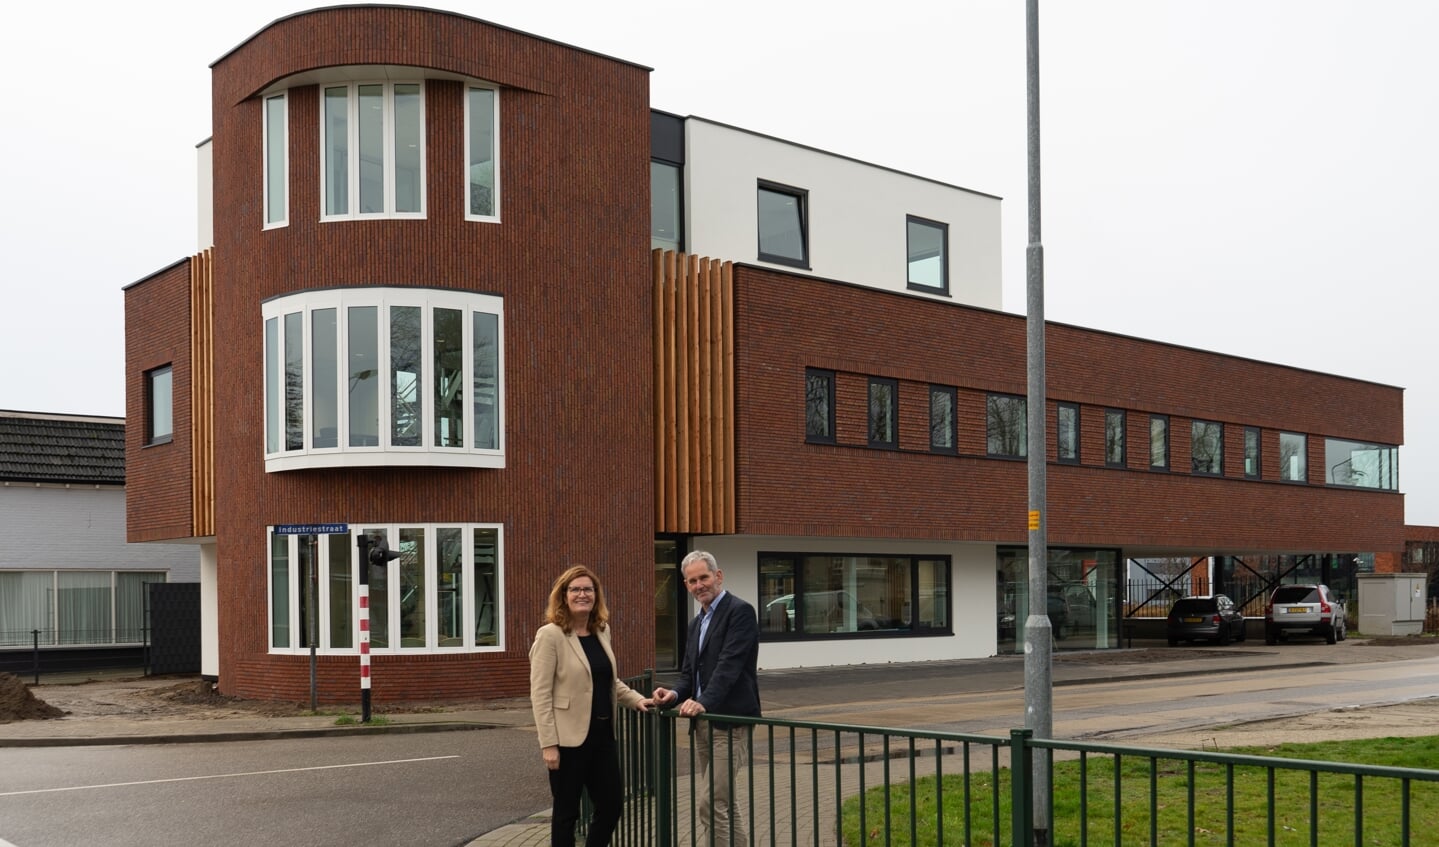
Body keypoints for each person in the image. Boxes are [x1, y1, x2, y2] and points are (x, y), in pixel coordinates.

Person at [530, 565, 650, 847]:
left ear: (596, 595)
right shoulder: (550, 635)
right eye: (575, 589)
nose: (582, 594)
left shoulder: (601, 631)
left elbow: (609, 681)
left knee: (611, 807)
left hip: (602, 738)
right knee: (566, 816)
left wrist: (637, 700)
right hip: (567, 742)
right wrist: (548, 744)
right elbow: (540, 694)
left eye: (588, 589)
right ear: (564, 595)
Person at [651, 550, 761, 846]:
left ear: (718, 576)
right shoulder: (696, 623)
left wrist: (704, 702)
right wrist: (673, 694)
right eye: (692, 581)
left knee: (711, 804)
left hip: (729, 721)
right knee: (724, 803)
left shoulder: (740, 611)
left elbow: (730, 666)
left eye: (704, 577)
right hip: (702, 725)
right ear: (686, 585)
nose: (699, 585)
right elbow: (690, 674)